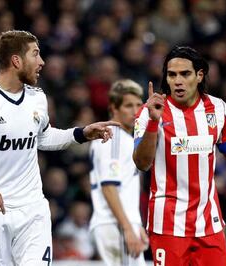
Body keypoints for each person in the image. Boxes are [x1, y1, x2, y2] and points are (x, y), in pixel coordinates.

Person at [0, 30, 119, 266]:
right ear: (16, 60)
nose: (42, 62)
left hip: (33, 208)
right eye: (36, 54)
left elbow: (41, 137)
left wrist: (81, 134)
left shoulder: (37, 97)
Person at [132, 46, 226, 266]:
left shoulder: (217, 108)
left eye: (185, 74)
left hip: (209, 224)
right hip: (167, 225)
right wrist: (152, 122)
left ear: (199, 75)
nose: (177, 81)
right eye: (171, 74)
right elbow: (142, 163)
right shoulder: (149, 111)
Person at [89, 79, 149, 266]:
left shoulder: (123, 138)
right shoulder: (112, 138)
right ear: (114, 108)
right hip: (114, 224)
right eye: (128, 105)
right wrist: (127, 227)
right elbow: (108, 186)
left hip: (120, 223)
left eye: (139, 105)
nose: (135, 111)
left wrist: (135, 224)